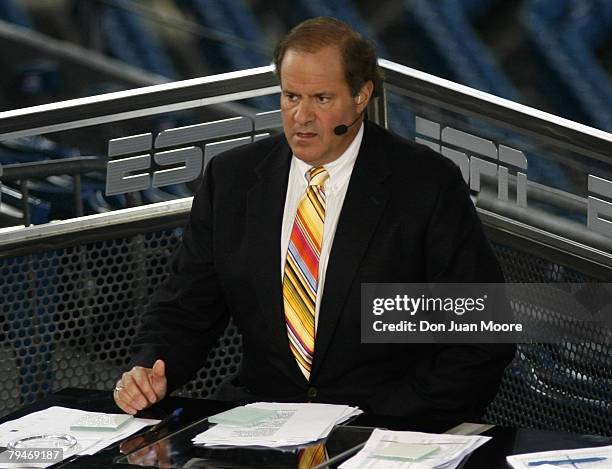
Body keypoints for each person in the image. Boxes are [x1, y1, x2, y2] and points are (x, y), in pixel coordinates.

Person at [113, 17, 515, 421]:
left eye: (321, 99)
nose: (301, 117)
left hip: (384, 423)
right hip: (259, 420)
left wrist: (389, 421)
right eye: (291, 97)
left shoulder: (425, 182)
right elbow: (185, 308)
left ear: (361, 96)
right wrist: (152, 367)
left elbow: (479, 337)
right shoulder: (232, 179)